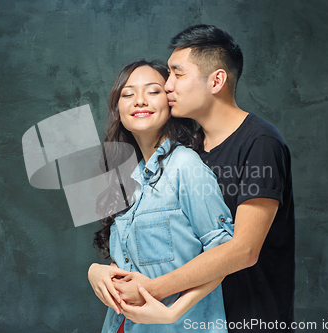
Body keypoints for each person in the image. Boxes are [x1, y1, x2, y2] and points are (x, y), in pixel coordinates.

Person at [106, 25, 296, 332]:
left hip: (249, 316)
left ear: (216, 80)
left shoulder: (260, 142)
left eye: (177, 75)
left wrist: (153, 292)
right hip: (199, 317)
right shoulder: (191, 148)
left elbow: (242, 250)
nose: (168, 86)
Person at [89, 59, 234, 332]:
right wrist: (96, 271)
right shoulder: (125, 176)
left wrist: (172, 312)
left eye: (153, 91)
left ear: (170, 101)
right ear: (118, 108)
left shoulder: (185, 166)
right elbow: (132, 261)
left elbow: (224, 254)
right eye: (128, 94)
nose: (139, 101)